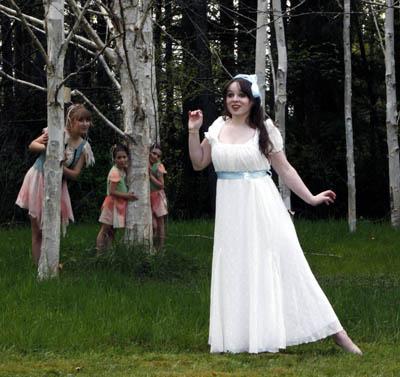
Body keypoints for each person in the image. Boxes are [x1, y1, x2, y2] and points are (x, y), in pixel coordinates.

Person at [187, 74, 362, 355]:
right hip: (231, 212)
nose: (234, 100)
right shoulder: (217, 126)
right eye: (230, 95)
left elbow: (286, 170)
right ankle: (242, 337)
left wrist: (311, 198)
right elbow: (198, 163)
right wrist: (193, 130)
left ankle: (337, 333)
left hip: (261, 205)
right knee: (236, 268)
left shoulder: (264, 129)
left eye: (241, 95)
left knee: (287, 265)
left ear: (252, 99)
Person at [16, 103, 95, 264]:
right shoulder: (57, 132)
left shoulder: (84, 147)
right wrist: (51, 151)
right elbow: (33, 145)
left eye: (88, 120)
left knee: (51, 228)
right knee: (38, 228)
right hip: (38, 179)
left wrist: (61, 166)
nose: (85, 124)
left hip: (58, 186)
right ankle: (38, 266)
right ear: (71, 121)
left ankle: (50, 263)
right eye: (81, 120)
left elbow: (75, 174)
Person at [96, 144, 138, 251]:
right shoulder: (114, 172)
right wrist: (127, 196)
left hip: (118, 204)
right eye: (119, 157)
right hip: (111, 205)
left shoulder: (122, 170)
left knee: (112, 231)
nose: (122, 160)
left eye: (124, 157)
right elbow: (112, 191)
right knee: (104, 229)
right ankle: (99, 252)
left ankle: (109, 251)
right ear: (114, 159)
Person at [149, 144, 168, 249]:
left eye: (158, 155)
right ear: (149, 152)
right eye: (153, 153)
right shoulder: (145, 163)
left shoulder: (159, 167)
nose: (155, 156)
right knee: (153, 224)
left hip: (157, 196)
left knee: (160, 222)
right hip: (148, 196)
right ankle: (152, 246)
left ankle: (160, 247)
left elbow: (161, 185)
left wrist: (150, 176)